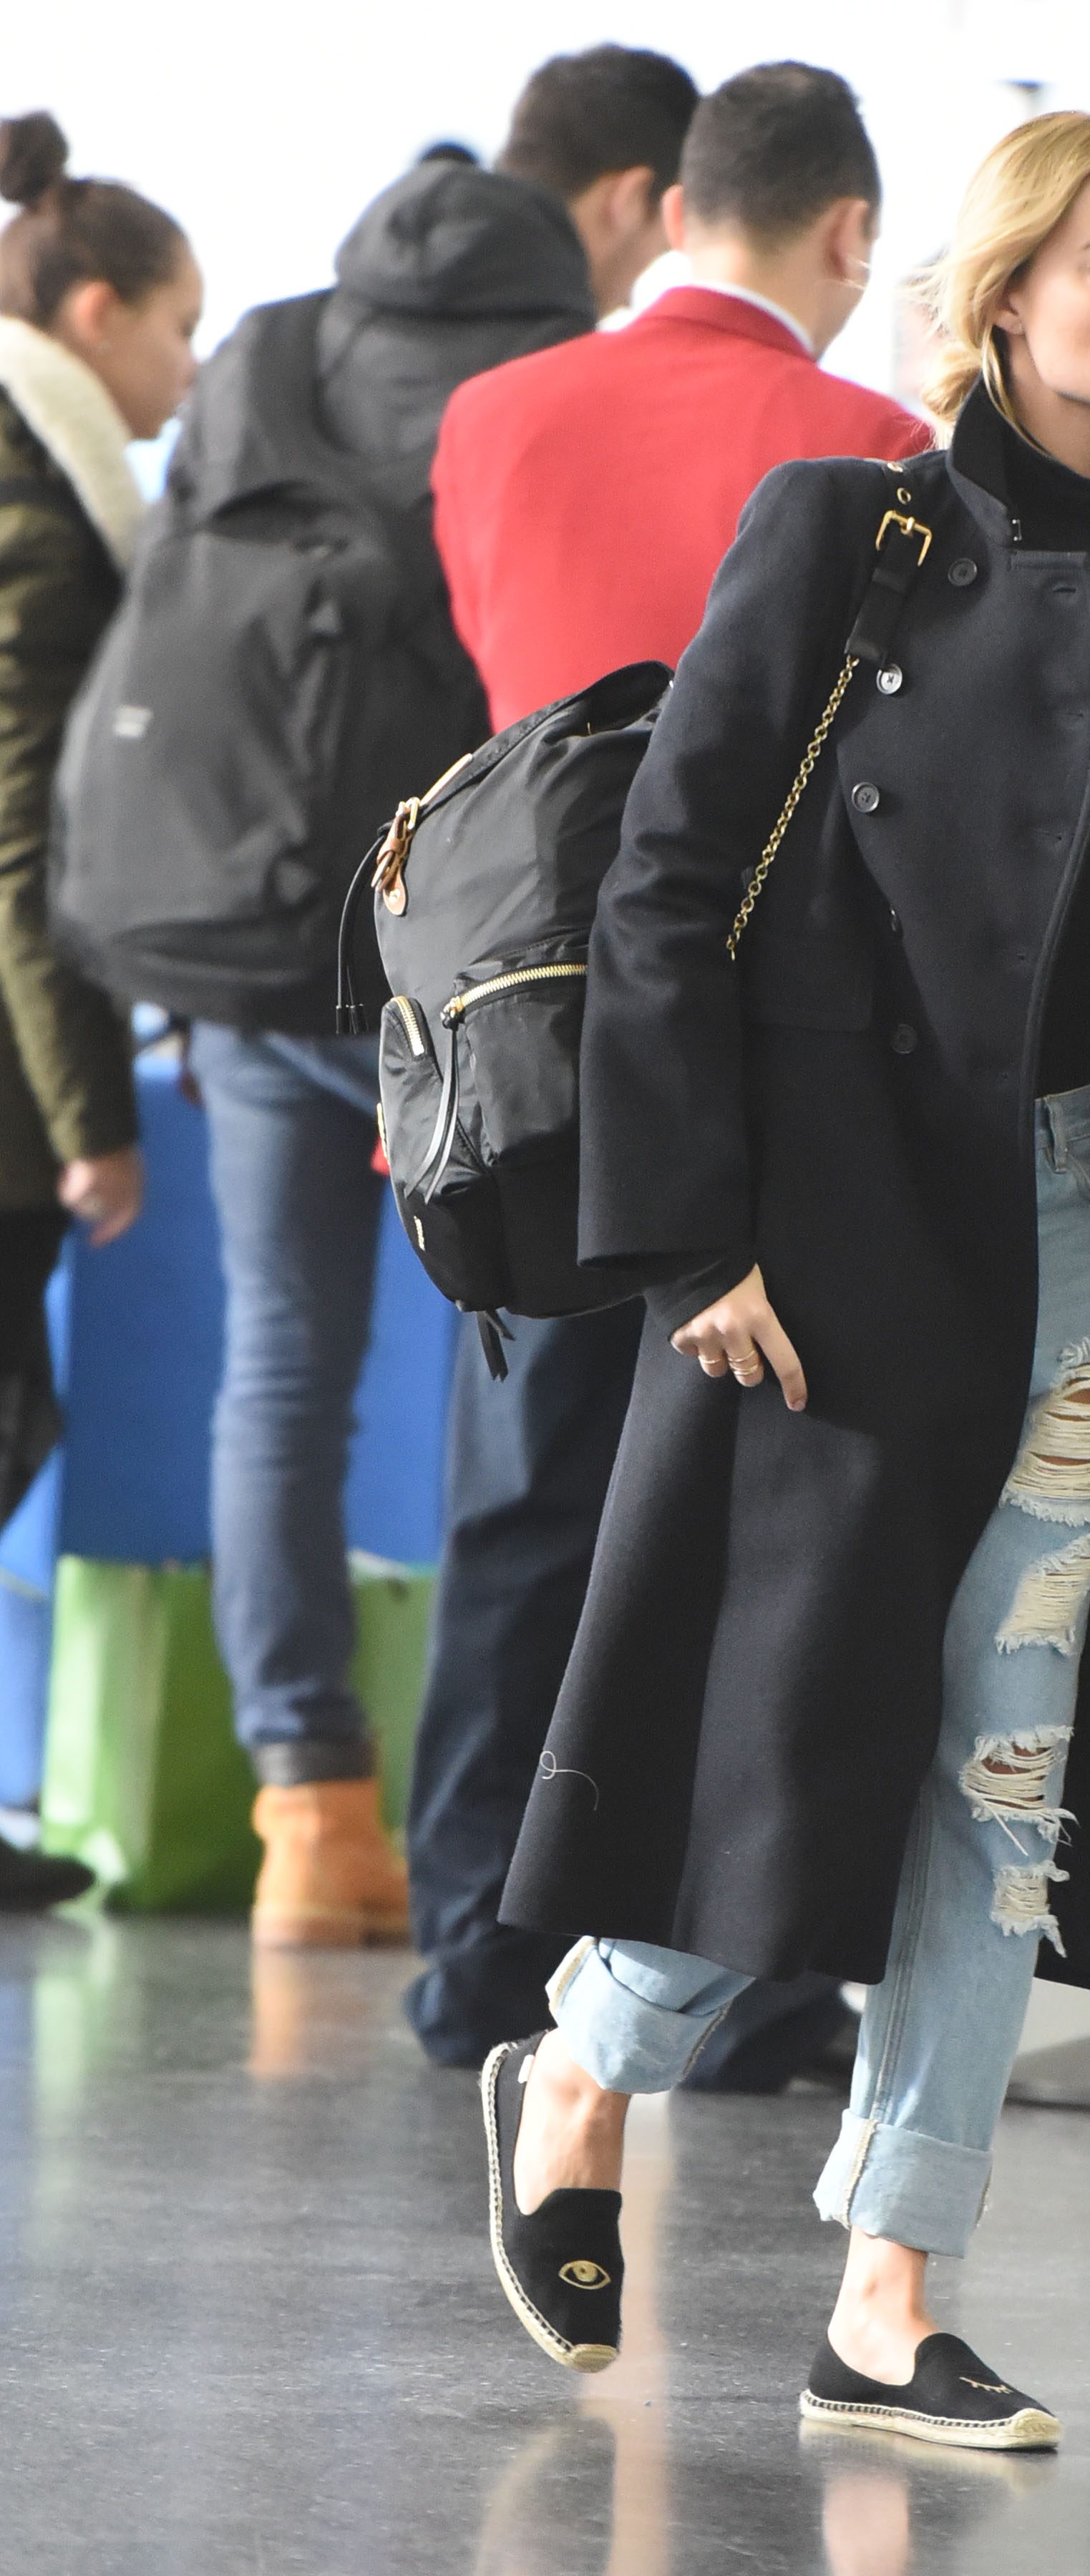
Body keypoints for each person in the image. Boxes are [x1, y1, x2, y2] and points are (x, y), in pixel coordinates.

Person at [477, 109, 1090, 2446]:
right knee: (806, 1730)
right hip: (846, 1228)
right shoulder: (849, 533)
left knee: (1005, 1755)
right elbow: (671, 886)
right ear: (1003, 295)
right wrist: (692, 1233)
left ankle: (893, 2286)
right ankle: (585, 2060)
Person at [407, 62, 933, 2071]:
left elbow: (514, 711)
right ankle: (750, 1978)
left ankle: (474, 1960)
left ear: (679, 204)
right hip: (762, 1072)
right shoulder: (870, 445)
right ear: (848, 234)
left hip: (517, 1046)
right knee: (752, 1541)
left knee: (519, 1520)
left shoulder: (495, 412)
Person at [170, 49, 697, 1952]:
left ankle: (308, 1819)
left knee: (279, 1373)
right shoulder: (558, 376)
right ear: (629, 200)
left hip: (248, 934)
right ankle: (507, 1864)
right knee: (522, 1385)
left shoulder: (275, 344)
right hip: (463, 971)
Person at [0, 112, 198, 1912]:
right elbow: (17, 833)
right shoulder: (37, 501)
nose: (186, 373)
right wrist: (91, 1117)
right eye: (178, 327)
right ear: (93, 313)